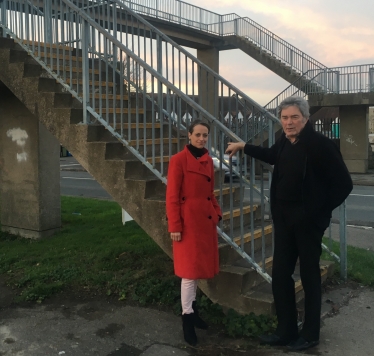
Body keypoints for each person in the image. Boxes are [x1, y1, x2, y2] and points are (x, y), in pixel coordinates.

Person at [225, 96, 353, 352]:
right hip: (284, 220)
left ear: (305, 118)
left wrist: (318, 214)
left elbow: (344, 185)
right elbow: (271, 155)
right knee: (281, 274)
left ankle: (310, 334)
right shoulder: (284, 141)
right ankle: (286, 330)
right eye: (284, 117)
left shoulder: (321, 145)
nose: (289, 122)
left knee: (308, 276)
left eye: (294, 117)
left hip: (308, 224)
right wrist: (243, 146)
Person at [166, 119, 222, 346]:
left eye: (205, 135)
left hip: (205, 222)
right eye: (197, 134)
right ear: (188, 135)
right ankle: (187, 318)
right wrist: (175, 226)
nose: (201, 139)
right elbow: (171, 196)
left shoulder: (208, 160)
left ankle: (194, 312)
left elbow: (211, 192)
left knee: (197, 270)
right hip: (188, 224)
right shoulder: (178, 160)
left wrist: (216, 212)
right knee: (189, 274)